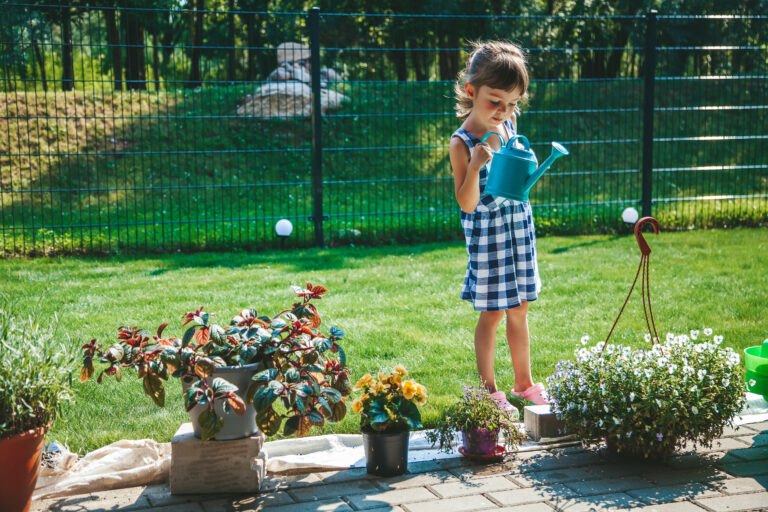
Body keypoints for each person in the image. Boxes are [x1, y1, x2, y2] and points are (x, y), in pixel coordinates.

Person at [449, 40, 549, 411]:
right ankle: (488, 391)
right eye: (495, 102)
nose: (503, 111)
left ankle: (524, 383)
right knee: (491, 313)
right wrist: (476, 164)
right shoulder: (462, 143)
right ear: (471, 92)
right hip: (489, 239)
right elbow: (466, 203)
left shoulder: (507, 125)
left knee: (520, 307)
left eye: (512, 103)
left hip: (518, 230)